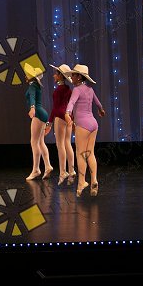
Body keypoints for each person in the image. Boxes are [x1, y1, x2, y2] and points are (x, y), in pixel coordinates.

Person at [64, 64, 106, 196]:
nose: (71, 77)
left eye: (73, 74)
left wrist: (67, 113)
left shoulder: (77, 89)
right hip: (93, 124)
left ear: (79, 77)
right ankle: (94, 180)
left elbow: (71, 102)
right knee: (90, 153)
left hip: (83, 124)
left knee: (80, 154)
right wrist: (101, 110)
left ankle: (81, 182)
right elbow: (98, 103)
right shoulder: (90, 89)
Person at [45, 64, 76, 185]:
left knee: (60, 145)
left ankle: (63, 172)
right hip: (68, 117)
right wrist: (72, 119)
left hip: (60, 117)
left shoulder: (58, 90)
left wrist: (49, 122)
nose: (54, 75)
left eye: (56, 74)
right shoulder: (68, 89)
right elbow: (70, 106)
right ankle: (71, 170)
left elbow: (55, 108)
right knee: (68, 143)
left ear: (60, 76)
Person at [23, 63, 52, 181]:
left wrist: (32, 108)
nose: (25, 76)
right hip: (43, 114)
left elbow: (32, 97)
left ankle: (36, 169)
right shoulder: (37, 85)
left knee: (34, 142)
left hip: (38, 114)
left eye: (27, 74)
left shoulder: (32, 86)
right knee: (40, 142)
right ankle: (48, 166)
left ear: (32, 77)